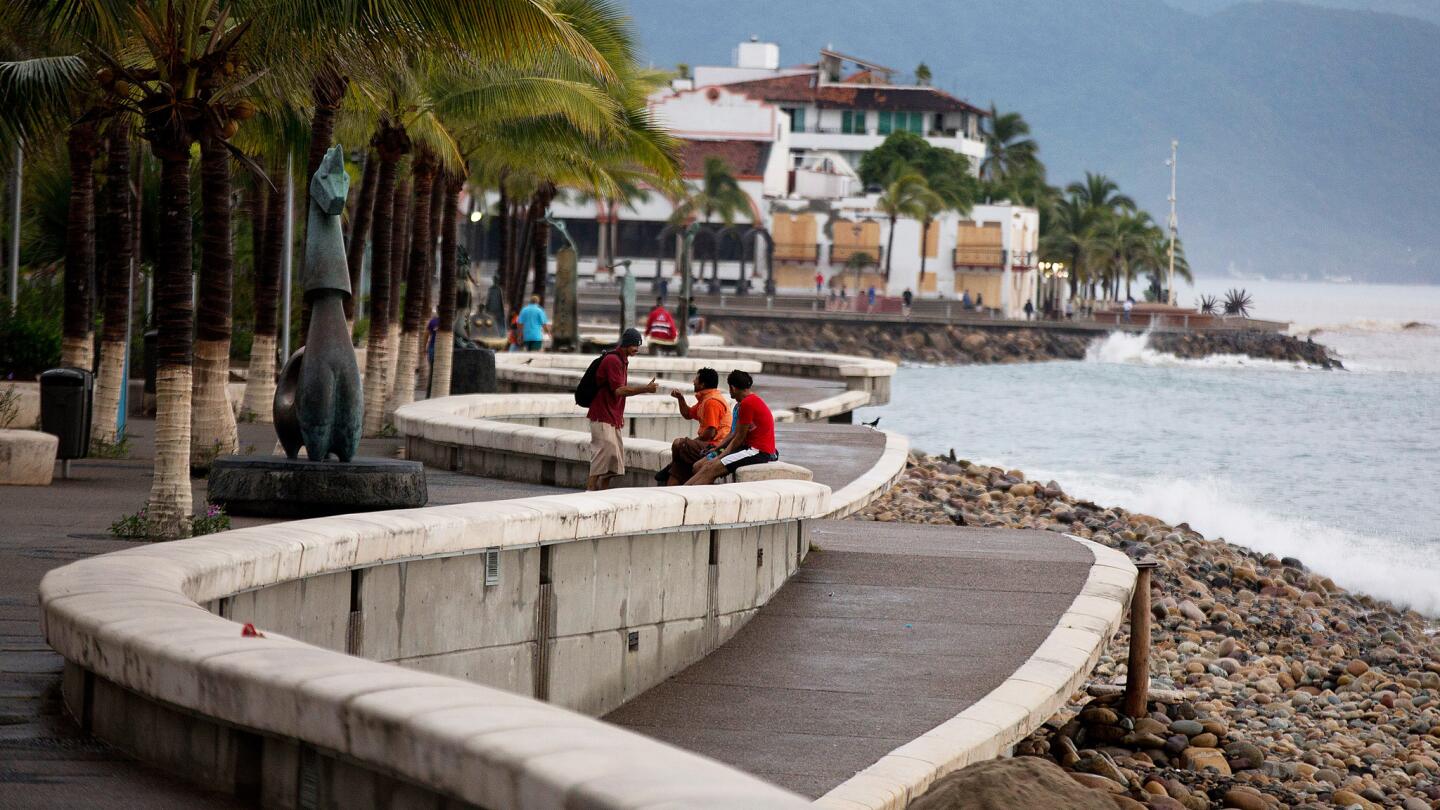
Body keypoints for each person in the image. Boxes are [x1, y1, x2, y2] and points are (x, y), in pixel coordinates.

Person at [586, 328, 657, 491]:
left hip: (612, 416)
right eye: (635, 346)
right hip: (601, 414)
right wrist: (645, 389)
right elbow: (619, 390)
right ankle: (590, 490)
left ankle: (602, 492)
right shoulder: (613, 361)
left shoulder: (623, 360)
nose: (636, 350)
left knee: (614, 458)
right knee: (603, 452)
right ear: (627, 344)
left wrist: (619, 416)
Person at [685, 370, 777, 485]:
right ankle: (684, 490)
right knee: (705, 467)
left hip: (757, 452)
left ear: (732, 388)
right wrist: (718, 450)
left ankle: (690, 496)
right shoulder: (747, 402)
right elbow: (735, 434)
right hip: (749, 448)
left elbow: (738, 438)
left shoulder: (747, 404)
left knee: (712, 468)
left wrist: (719, 457)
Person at [661, 367, 730, 485]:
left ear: (702, 384)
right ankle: (674, 469)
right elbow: (688, 414)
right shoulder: (705, 399)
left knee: (679, 444)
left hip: (716, 445)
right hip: (708, 443)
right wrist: (680, 399)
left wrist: (691, 443)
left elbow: (710, 433)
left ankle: (672, 467)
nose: (693, 381)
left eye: (696, 379)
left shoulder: (711, 402)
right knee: (678, 468)